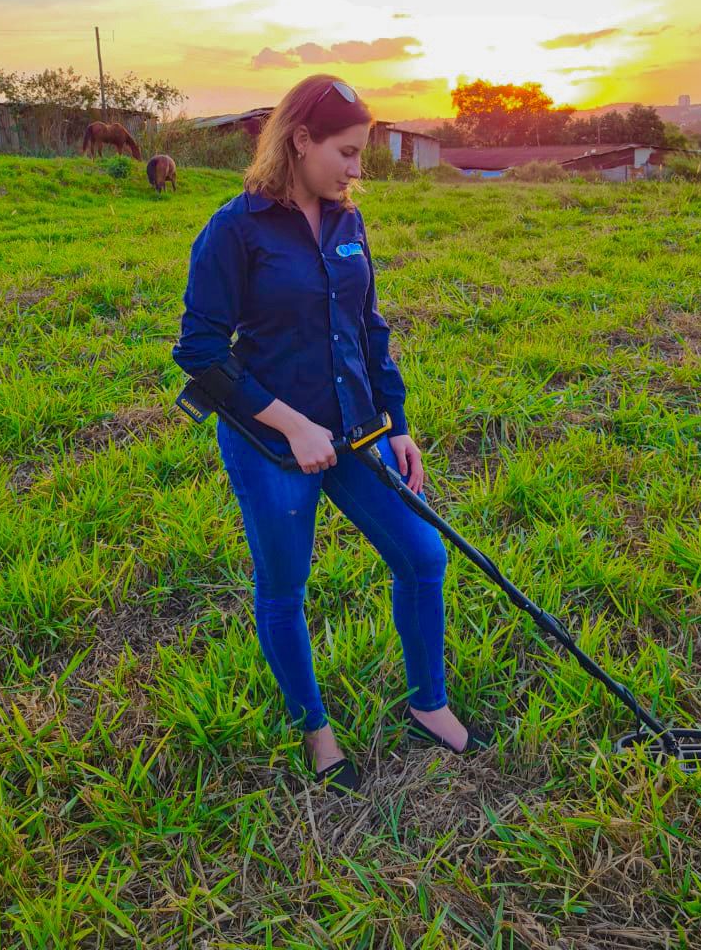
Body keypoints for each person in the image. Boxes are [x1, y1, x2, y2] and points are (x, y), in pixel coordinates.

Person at [173, 74, 490, 792]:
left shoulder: (349, 222)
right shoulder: (236, 228)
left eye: (362, 154)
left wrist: (398, 424)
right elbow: (199, 351)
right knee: (285, 586)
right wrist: (289, 425)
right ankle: (315, 728)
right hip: (271, 446)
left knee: (422, 555)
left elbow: (369, 328)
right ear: (301, 140)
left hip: (355, 433)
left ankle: (429, 704)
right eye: (346, 153)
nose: (357, 169)